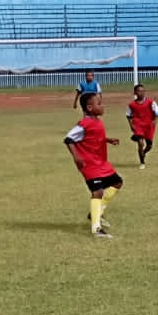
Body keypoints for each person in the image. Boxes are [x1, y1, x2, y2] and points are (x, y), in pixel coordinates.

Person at [65, 91, 122, 237]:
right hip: (89, 164)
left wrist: (108, 140)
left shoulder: (97, 121)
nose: (103, 106)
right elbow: (69, 139)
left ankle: (96, 213)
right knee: (97, 192)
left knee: (117, 182)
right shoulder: (84, 124)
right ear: (89, 108)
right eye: (99, 103)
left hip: (101, 163)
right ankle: (96, 229)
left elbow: (95, 137)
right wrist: (76, 157)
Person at [126, 83, 158, 168]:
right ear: (135, 93)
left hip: (149, 126)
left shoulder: (151, 102)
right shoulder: (132, 105)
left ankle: (143, 153)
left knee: (149, 146)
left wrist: (154, 121)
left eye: (143, 91)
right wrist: (131, 125)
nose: (141, 93)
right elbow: (128, 115)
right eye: (139, 91)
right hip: (138, 125)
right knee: (140, 143)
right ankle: (142, 163)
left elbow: (157, 112)